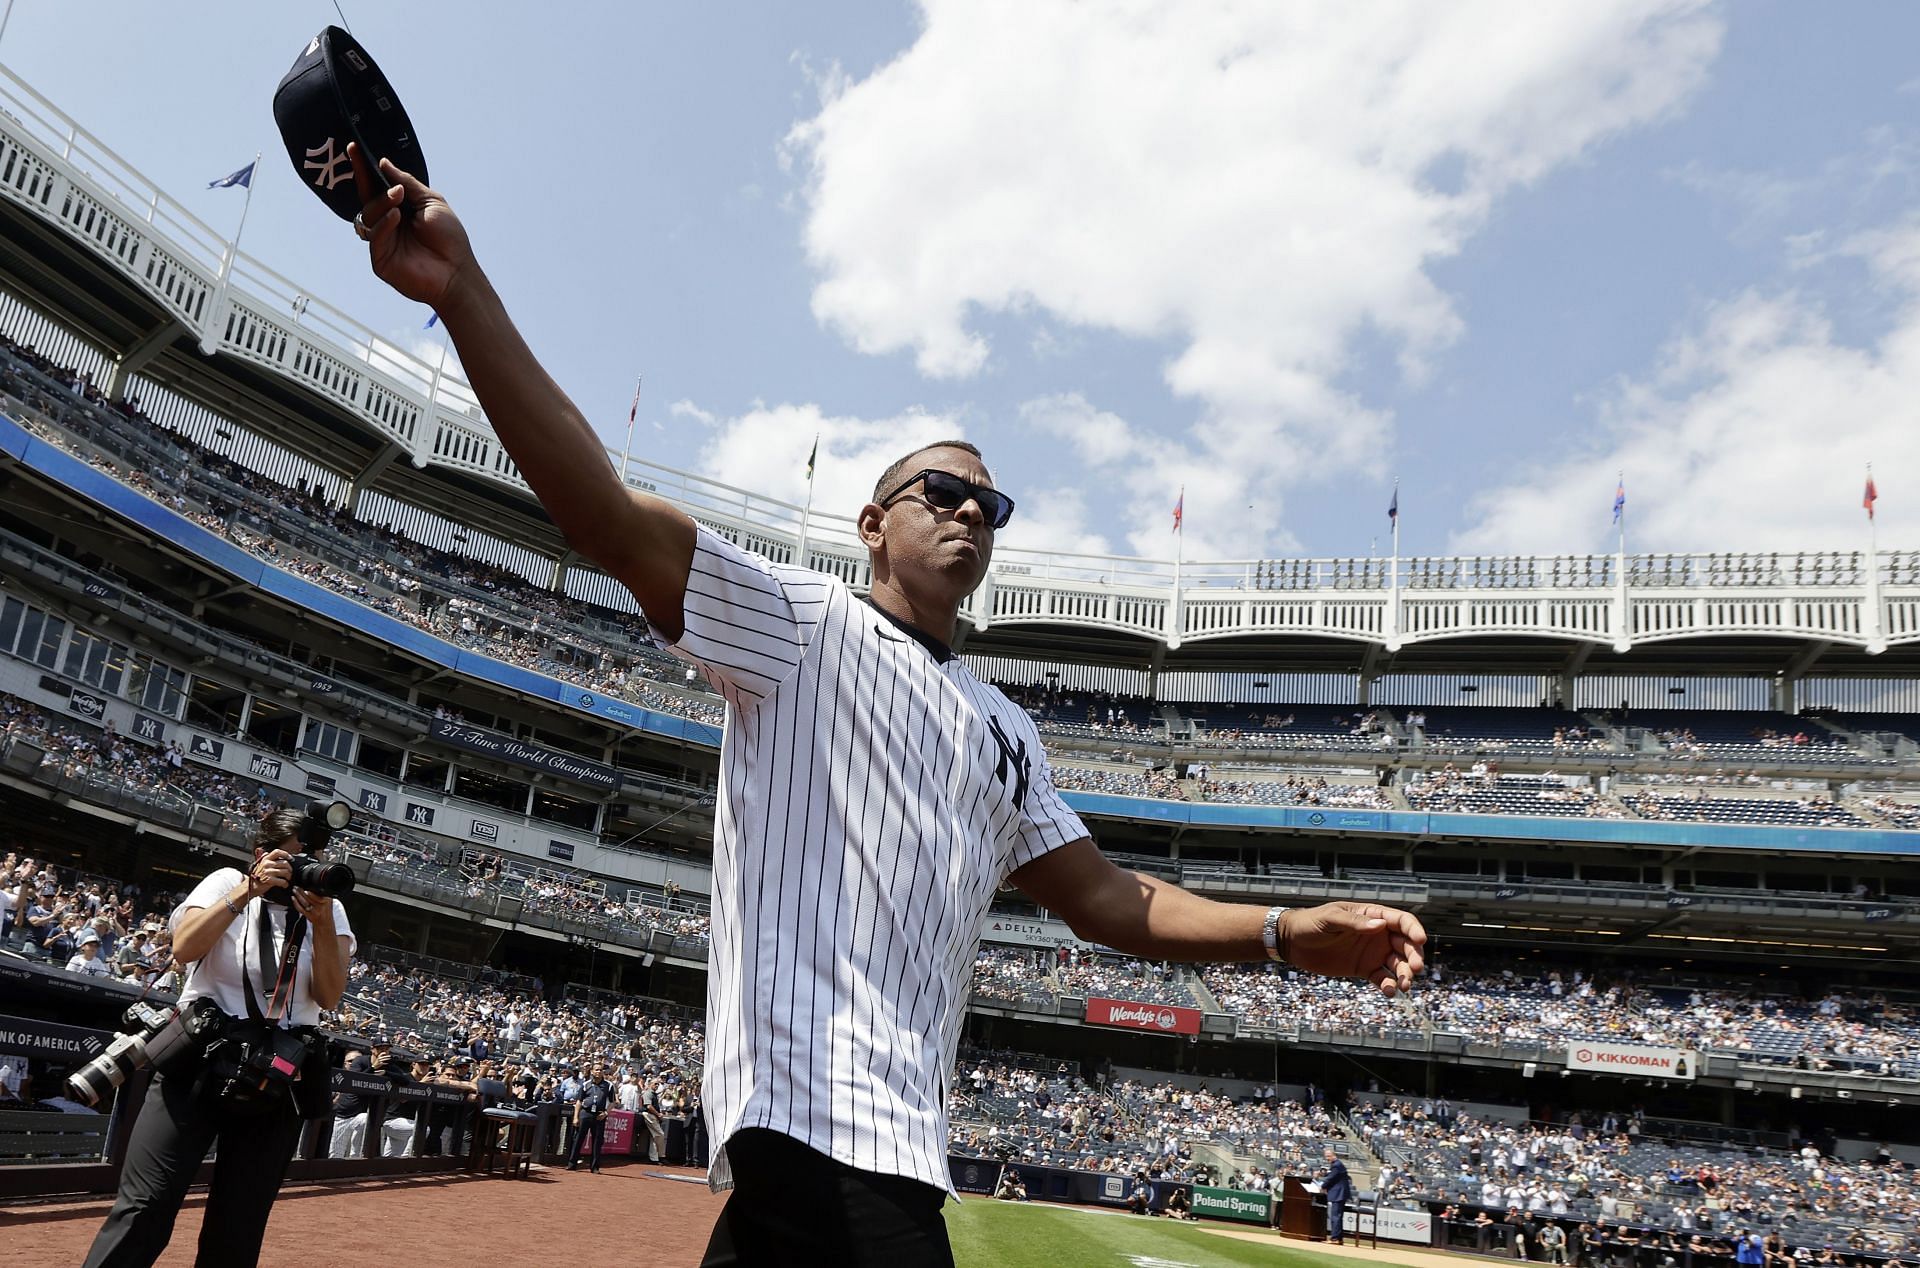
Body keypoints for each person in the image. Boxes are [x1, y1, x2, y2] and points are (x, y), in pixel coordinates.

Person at [348, 144, 1427, 1268]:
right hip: (810, 1120)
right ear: (873, 523)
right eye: (943, 491)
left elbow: (1108, 897)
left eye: (990, 502)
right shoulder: (802, 624)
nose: (971, 510)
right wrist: (464, 293)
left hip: (898, 1141)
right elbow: (603, 512)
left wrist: (1284, 933)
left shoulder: (1005, 730)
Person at [81, 806, 355, 1268]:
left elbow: (328, 997)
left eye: (309, 861)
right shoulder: (225, 881)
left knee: (239, 1226)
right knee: (145, 1207)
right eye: (289, 861)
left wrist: (324, 923)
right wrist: (248, 890)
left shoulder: (330, 910)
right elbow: (185, 948)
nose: (299, 873)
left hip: (276, 1075)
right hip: (197, 1062)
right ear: (259, 855)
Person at [570, 1064, 612, 1173]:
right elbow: (579, 1101)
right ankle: (572, 1164)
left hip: (599, 1115)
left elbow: (613, 1102)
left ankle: (595, 1167)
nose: (599, 1071)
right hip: (585, 1113)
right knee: (578, 1139)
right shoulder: (585, 1084)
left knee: (597, 1141)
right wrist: (576, 1117)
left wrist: (606, 1113)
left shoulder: (609, 1085)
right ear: (592, 1071)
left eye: (600, 1070)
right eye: (596, 1070)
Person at [1320, 1146, 1354, 1245]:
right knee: (1337, 1216)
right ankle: (1338, 1238)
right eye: (1326, 1156)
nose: (1327, 1158)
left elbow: (1331, 1178)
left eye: (1329, 1156)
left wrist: (1322, 1186)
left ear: (1334, 1155)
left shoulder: (1336, 1165)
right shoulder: (1337, 1164)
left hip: (1339, 1193)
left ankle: (1335, 1238)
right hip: (1339, 1193)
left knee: (1335, 1216)